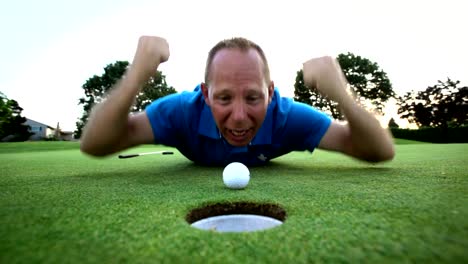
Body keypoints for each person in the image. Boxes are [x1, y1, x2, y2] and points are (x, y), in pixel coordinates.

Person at [80, 36, 395, 166]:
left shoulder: (286, 117)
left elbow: (379, 150)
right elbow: (96, 143)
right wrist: (136, 74)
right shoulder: (180, 112)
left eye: (254, 97)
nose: (240, 116)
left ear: (270, 94)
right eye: (224, 98)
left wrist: (341, 92)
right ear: (205, 95)